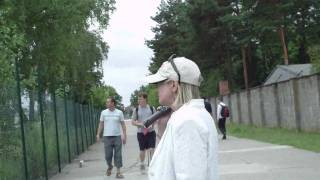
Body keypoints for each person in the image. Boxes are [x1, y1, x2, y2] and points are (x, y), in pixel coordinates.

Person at [145, 56, 219, 180]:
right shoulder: (193, 115)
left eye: (159, 83)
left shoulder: (187, 121)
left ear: (173, 85)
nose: (157, 88)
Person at [96, 97, 127, 179]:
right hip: (107, 137)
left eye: (108, 102)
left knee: (118, 155)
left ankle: (118, 172)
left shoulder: (119, 112)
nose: (107, 103)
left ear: (113, 103)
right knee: (108, 156)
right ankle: (110, 166)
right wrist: (98, 134)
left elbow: (123, 124)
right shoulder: (103, 112)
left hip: (117, 136)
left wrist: (124, 135)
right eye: (106, 102)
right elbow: (101, 124)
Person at [131, 92, 156, 171]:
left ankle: (152, 164)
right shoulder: (136, 109)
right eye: (138, 99)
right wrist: (140, 124)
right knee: (142, 150)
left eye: (140, 99)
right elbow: (132, 122)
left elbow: (155, 118)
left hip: (151, 132)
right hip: (141, 133)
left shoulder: (152, 108)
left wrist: (153, 125)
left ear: (145, 99)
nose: (139, 100)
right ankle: (142, 163)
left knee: (152, 148)